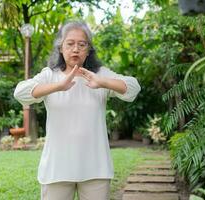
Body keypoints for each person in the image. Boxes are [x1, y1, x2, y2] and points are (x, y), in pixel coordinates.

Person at [14, 20, 141, 200]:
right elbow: (21, 92)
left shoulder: (100, 75)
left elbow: (133, 88)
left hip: (96, 168)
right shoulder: (50, 75)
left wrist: (101, 82)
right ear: (60, 47)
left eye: (82, 44)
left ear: (88, 50)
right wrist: (58, 86)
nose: (75, 49)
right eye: (70, 44)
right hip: (56, 169)